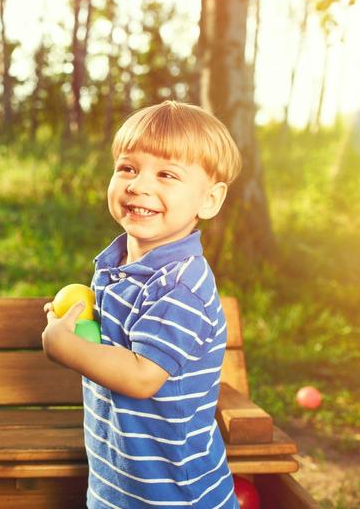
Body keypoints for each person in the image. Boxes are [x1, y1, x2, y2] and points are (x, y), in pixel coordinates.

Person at [42, 100, 242, 508]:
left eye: (167, 174)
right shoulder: (116, 265)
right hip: (118, 478)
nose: (138, 185)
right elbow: (113, 346)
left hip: (172, 494)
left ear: (210, 199)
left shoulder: (181, 287)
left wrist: (64, 347)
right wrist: (78, 327)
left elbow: (141, 377)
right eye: (127, 168)